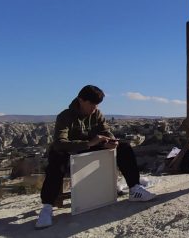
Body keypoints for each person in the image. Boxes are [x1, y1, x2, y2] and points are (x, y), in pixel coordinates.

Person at [35, 85, 156, 229]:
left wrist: (110, 142)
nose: (94, 108)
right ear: (81, 100)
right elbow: (60, 143)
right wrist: (89, 143)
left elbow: (105, 131)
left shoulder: (96, 114)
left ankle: (134, 189)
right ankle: (47, 207)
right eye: (91, 104)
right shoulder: (65, 116)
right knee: (56, 160)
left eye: (96, 104)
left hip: (91, 146)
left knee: (124, 148)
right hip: (70, 150)